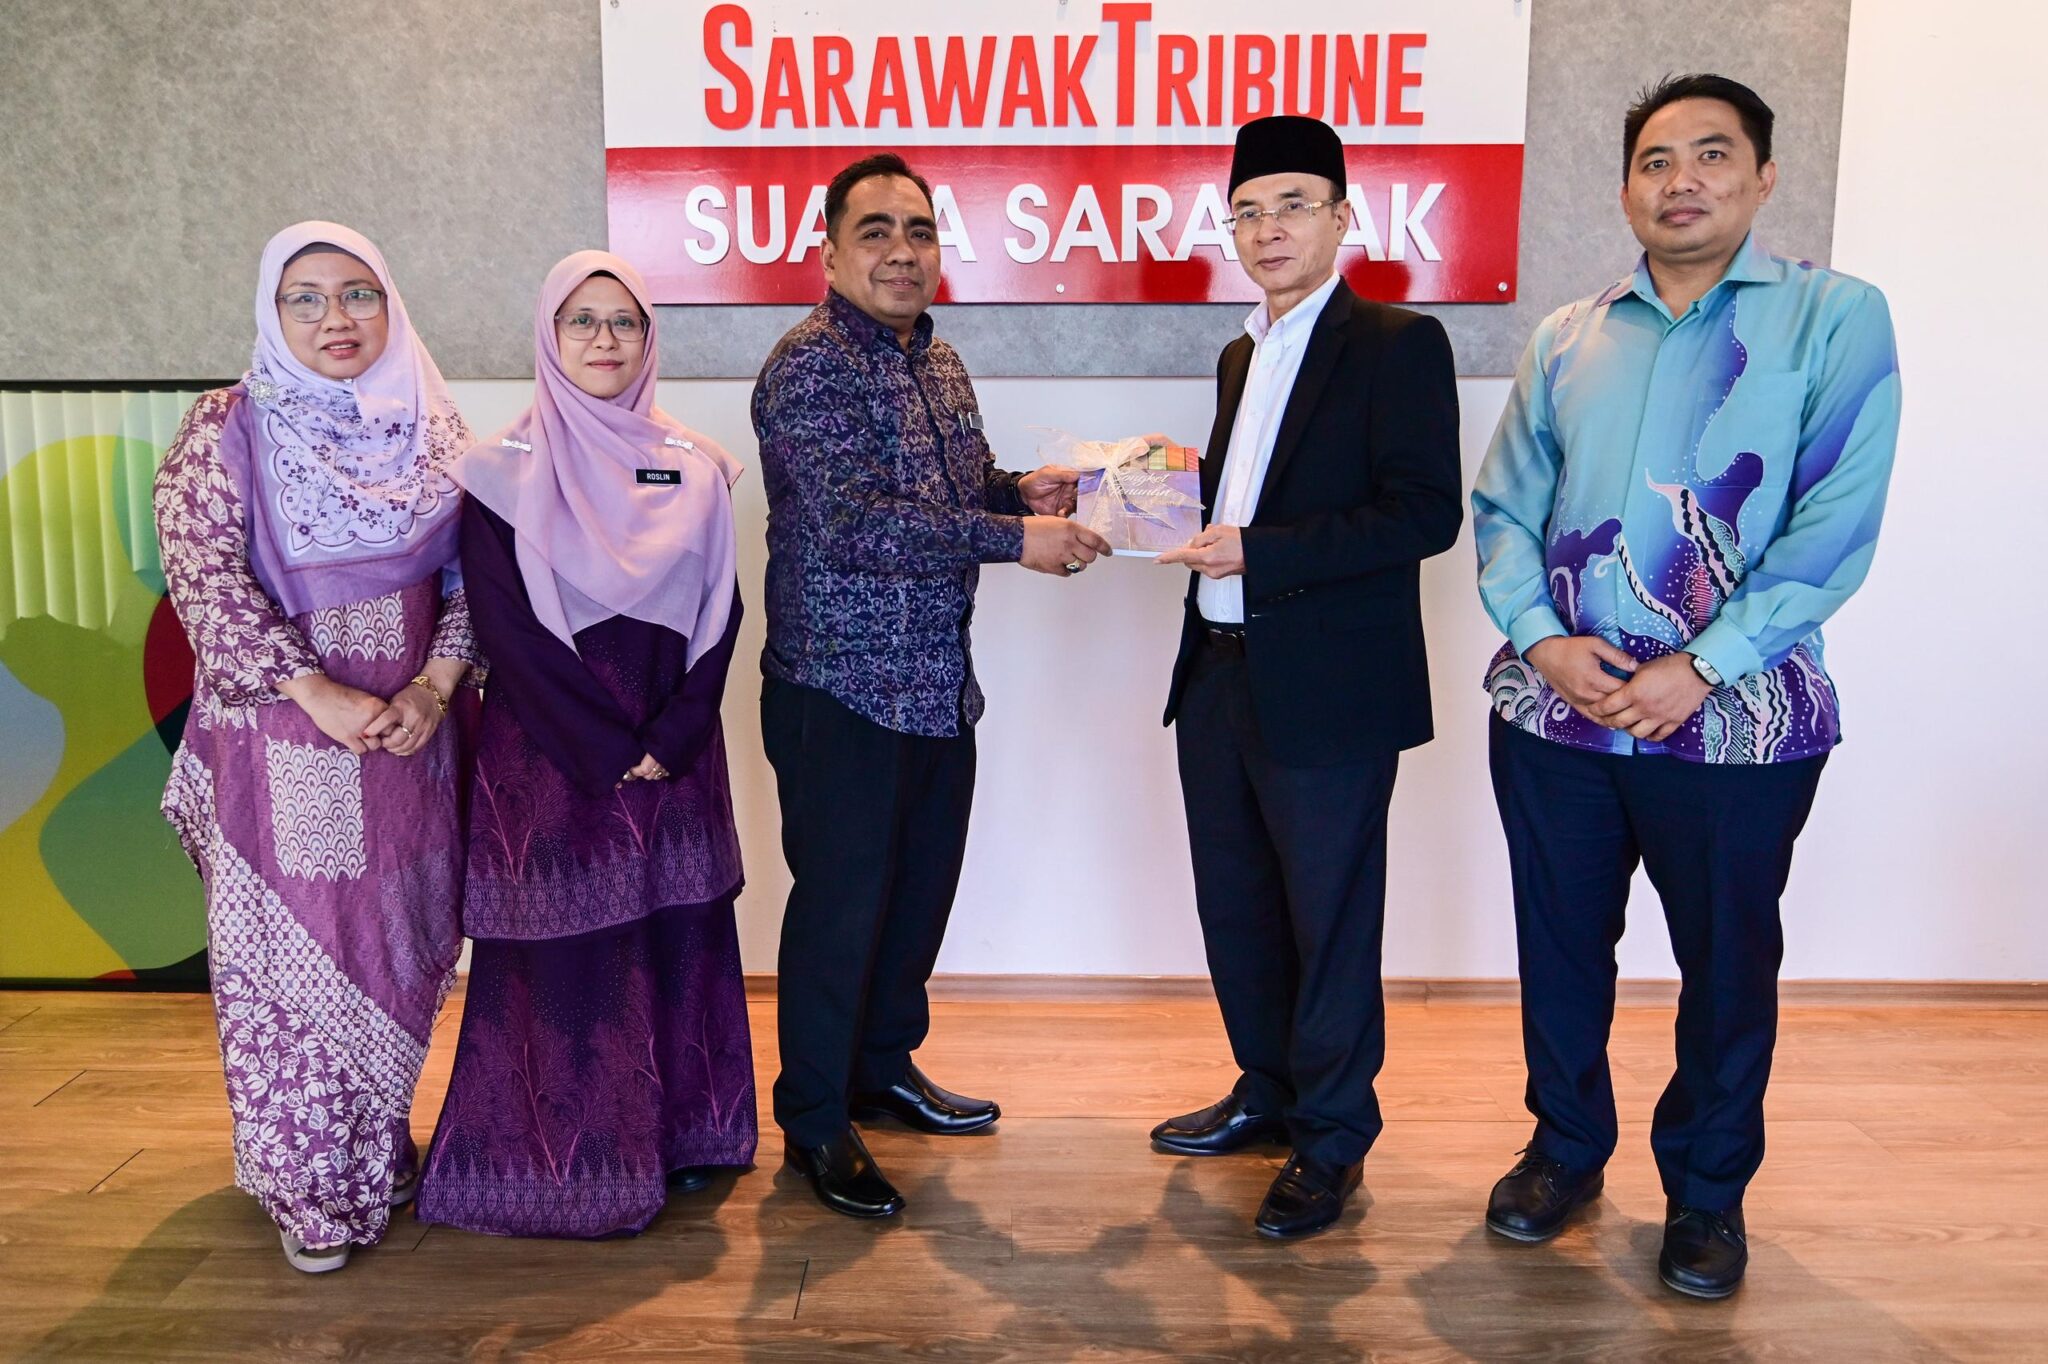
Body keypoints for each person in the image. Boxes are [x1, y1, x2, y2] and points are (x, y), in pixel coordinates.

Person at [1471, 74, 1901, 1297]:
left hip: (1734, 726)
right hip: (1555, 716)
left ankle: (1706, 1192)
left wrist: (1701, 664)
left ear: (1762, 177)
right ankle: (1563, 1150)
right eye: (1654, 160)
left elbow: (1833, 520)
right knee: (1559, 950)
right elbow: (1502, 506)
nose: (1680, 180)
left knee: (1724, 964)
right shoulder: (1567, 336)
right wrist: (1540, 640)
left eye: (1711, 155)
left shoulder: (1833, 317)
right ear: (1623, 188)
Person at [752, 153, 1109, 1219]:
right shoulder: (808, 367)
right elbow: (852, 523)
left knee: (913, 900)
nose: (901, 252)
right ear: (829, 253)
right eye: (875, 231)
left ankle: (880, 1069)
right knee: (840, 911)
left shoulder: (938, 361)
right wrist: (1013, 538)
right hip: (839, 689)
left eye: (918, 231)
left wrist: (1018, 491)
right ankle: (816, 1119)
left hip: (937, 684)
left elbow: (949, 490)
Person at [1153, 115, 1464, 1240]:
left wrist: (1261, 552)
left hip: (1329, 687)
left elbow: (1423, 514)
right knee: (1236, 902)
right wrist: (1141, 498)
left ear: (1341, 219)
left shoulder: (1396, 342)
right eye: (1246, 211)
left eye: (1292, 205)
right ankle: (1269, 1091)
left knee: (1328, 918)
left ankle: (1332, 1138)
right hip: (1218, 671)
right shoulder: (1242, 353)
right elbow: (1249, 497)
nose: (1267, 228)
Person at [154, 221, 480, 1273]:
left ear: (390, 306)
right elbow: (205, 576)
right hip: (283, 741)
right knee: (293, 971)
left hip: (409, 743)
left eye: (358, 294)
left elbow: (479, 576)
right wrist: (313, 689)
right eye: (306, 298)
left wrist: (435, 684)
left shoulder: (433, 424)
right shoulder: (226, 429)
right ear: (273, 312)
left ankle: (375, 1147)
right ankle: (312, 1188)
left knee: (394, 949)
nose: (335, 318)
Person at [414, 252, 756, 1237]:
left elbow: (722, 609)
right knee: (567, 952)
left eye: (625, 322)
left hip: (674, 743)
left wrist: (673, 732)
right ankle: (565, 1162)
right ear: (549, 335)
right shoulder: (497, 473)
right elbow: (506, 630)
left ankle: (685, 1137)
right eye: (582, 321)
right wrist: (608, 747)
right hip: (551, 756)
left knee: (675, 931)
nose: (605, 340)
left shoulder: (696, 465)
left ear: (649, 338)